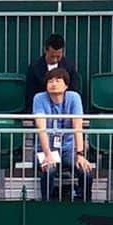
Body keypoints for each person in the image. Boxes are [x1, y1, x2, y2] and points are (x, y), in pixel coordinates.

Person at [33, 67, 94, 202]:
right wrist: (48, 154)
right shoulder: (39, 98)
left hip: (68, 149)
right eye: (50, 81)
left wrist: (80, 155)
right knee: (49, 170)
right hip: (45, 148)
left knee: (85, 171)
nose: (53, 84)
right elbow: (41, 128)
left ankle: (85, 202)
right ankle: (46, 204)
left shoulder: (74, 97)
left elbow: (78, 126)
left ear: (66, 85)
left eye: (58, 80)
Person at [25, 33, 80, 114]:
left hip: (65, 110)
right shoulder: (34, 68)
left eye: (58, 56)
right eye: (52, 56)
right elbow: (30, 94)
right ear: (45, 50)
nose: (55, 60)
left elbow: (74, 90)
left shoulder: (69, 67)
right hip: (41, 109)